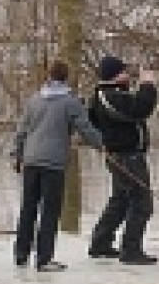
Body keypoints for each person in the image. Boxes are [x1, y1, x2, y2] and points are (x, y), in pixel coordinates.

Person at [12, 60, 103, 271]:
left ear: (49, 76)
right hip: (53, 163)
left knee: (28, 208)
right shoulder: (71, 102)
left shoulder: (34, 100)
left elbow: (21, 131)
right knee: (50, 211)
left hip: (31, 159)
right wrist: (102, 144)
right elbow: (86, 129)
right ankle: (44, 259)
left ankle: (21, 254)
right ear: (66, 77)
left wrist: (17, 155)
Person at [88, 55, 159, 265]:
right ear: (114, 75)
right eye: (124, 72)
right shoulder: (109, 96)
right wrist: (147, 85)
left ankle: (100, 243)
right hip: (126, 157)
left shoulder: (111, 95)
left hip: (122, 155)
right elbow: (141, 108)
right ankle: (131, 250)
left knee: (120, 200)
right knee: (141, 202)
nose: (128, 75)